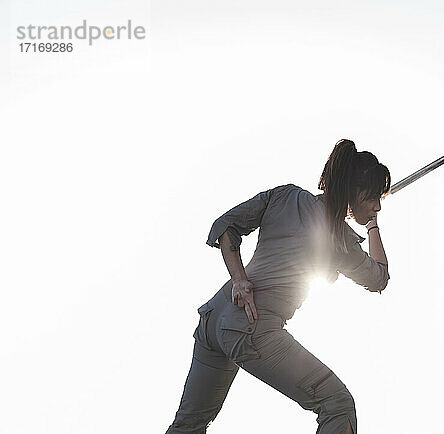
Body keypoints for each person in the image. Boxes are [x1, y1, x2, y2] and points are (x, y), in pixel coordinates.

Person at [165, 139, 391, 434]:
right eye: (372, 198)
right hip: (253, 326)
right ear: (354, 192)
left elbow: (225, 226)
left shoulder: (286, 196)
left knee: (188, 425)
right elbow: (379, 278)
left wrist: (240, 280)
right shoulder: (341, 240)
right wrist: (372, 226)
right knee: (337, 403)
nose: (376, 206)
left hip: (215, 317)